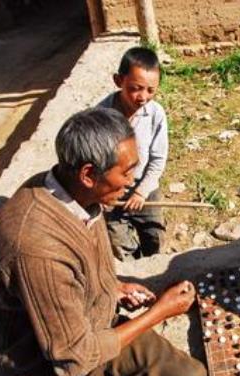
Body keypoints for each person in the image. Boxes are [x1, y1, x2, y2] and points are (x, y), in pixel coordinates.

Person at [0, 107, 206, 376]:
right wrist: (158, 313)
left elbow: (78, 269)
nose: (132, 181)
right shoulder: (38, 250)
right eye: (127, 172)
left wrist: (113, 287)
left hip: (96, 328)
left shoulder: (77, 192)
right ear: (88, 174)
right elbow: (74, 357)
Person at [98, 46, 168, 260]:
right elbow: (95, 160)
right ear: (118, 80)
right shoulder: (100, 117)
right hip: (113, 190)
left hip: (145, 189)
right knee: (119, 243)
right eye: (136, 88)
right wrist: (101, 193)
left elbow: (157, 159)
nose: (143, 97)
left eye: (150, 90)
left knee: (155, 236)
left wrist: (142, 191)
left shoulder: (155, 114)